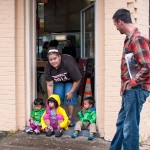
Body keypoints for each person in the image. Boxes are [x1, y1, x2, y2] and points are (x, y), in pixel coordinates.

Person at [109, 8, 150, 150]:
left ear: (120, 22)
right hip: (130, 90)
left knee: (130, 128)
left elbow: (147, 66)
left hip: (136, 89)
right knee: (122, 124)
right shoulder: (129, 38)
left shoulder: (137, 38)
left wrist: (131, 84)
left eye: (115, 24)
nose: (116, 28)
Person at [44, 49, 82, 127]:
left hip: (72, 80)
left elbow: (77, 79)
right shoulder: (48, 67)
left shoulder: (69, 63)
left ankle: (70, 117)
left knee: (69, 97)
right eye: (51, 59)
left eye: (55, 58)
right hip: (59, 81)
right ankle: (58, 116)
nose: (53, 61)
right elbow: (49, 85)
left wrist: (71, 92)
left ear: (59, 57)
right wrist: (50, 99)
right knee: (57, 97)